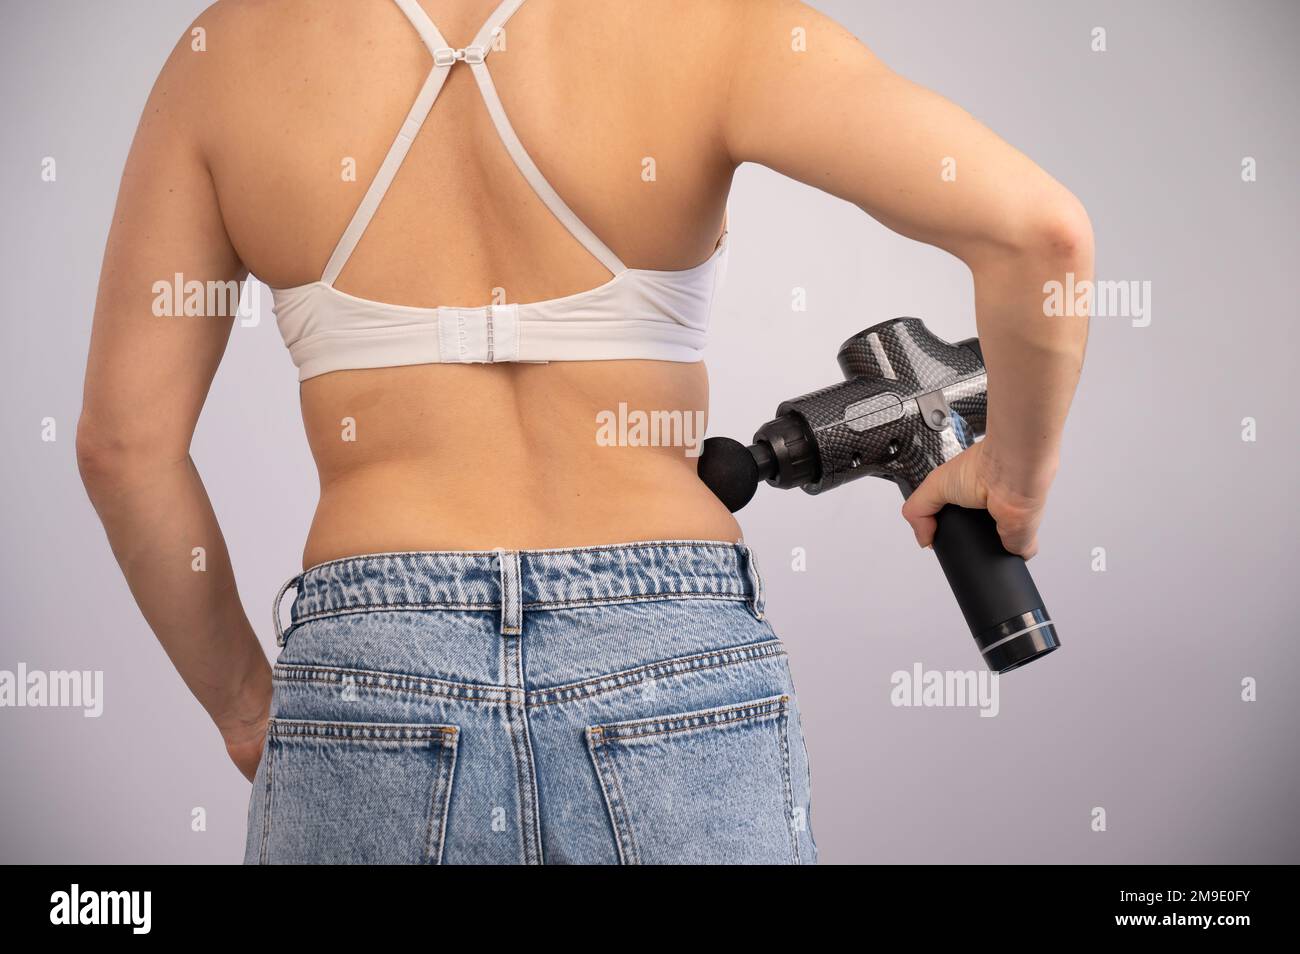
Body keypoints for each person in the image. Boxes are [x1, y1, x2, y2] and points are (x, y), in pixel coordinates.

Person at [77, 0, 1091, 864]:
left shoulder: (230, 52)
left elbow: (124, 450)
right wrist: (1011, 482)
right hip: (669, 648)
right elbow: (1038, 235)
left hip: (370, 656)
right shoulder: (702, 24)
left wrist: (249, 709)